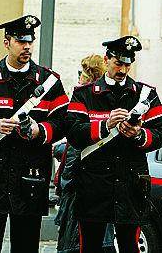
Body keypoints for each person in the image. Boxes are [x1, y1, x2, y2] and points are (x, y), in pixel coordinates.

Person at [0, 15, 69, 253]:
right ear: (7, 42)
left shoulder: (49, 82)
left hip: (30, 178)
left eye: (30, 41)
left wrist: (40, 130)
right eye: (20, 41)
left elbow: (64, 121)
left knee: (26, 246)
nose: (27, 46)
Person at [66, 36, 162, 253]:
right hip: (93, 185)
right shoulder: (84, 94)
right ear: (107, 59)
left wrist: (139, 134)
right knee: (90, 247)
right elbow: (73, 133)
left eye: (127, 64)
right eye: (118, 63)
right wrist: (105, 125)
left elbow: (161, 132)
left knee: (129, 246)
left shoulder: (145, 95)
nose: (123, 69)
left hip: (131, 185)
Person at [54, 54, 116, 253]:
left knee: (75, 244)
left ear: (88, 76)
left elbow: (74, 153)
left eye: (81, 73)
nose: (78, 77)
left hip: (78, 193)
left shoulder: (84, 102)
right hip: (96, 189)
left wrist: (64, 185)